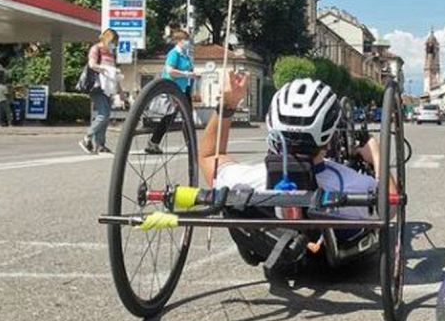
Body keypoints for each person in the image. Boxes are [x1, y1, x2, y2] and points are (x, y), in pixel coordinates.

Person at [199, 75, 392, 254]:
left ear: (273, 128)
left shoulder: (246, 181)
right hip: (338, 257)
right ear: (329, 135)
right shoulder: (354, 186)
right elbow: (391, 207)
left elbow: (208, 157)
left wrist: (228, 104)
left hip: (269, 248)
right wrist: (377, 155)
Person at [145, 29, 196, 154]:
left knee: (187, 118)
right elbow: (170, 71)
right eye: (185, 40)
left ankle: (191, 144)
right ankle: (153, 142)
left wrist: (192, 77)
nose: (187, 42)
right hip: (173, 89)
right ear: (178, 41)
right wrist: (187, 74)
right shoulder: (174, 54)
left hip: (184, 89)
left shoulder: (185, 55)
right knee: (170, 117)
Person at [79, 28, 118, 154]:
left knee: (106, 116)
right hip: (97, 86)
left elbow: (114, 73)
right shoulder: (96, 48)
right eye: (114, 41)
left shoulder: (110, 53)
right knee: (104, 114)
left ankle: (100, 145)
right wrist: (104, 69)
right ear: (108, 39)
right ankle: (87, 138)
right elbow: (92, 64)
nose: (115, 44)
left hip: (108, 87)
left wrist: (120, 91)